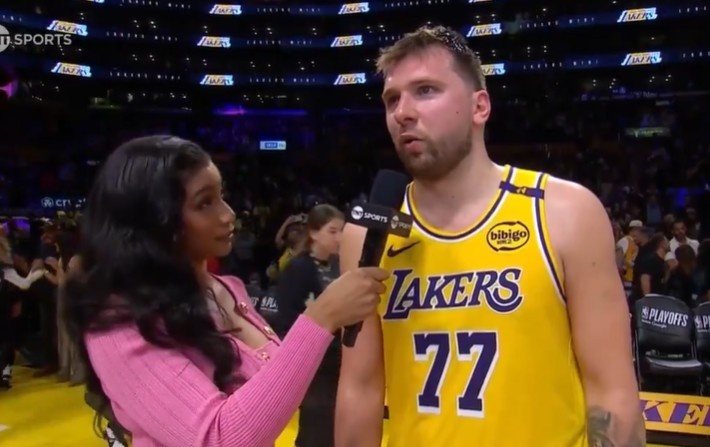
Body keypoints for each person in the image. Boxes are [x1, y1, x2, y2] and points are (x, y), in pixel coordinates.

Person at [335, 26, 643, 447]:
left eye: (425, 90)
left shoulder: (565, 212)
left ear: (479, 106)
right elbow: (361, 389)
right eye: (392, 99)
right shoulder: (368, 234)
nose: (402, 112)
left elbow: (612, 392)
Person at [62, 135, 388, 447]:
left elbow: (276, 392)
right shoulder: (118, 324)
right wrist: (321, 318)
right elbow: (219, 439)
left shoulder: (228, 289)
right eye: (205, 203)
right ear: (154, 219)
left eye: (222, 196)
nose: (228, 214)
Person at [275, 204, 345, 447]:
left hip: (337, 356)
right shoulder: (298, 268)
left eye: (342, 231)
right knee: (316, 423)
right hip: (312, 357)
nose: (339, 237)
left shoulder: (339, 266)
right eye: (332, 231)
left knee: (333, 422)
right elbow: (287, 315)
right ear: (314, 233)